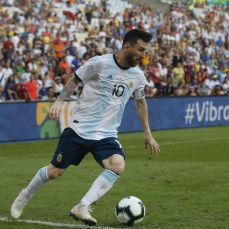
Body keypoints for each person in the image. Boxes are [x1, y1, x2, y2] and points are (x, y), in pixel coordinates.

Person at [10, 29, 160, 226]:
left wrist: (147, 133)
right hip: (80, 129)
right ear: (127, 46)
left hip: (106, 133)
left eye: (145, 50)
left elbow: (140, 103)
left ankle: (82, 206)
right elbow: (74, 80)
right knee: (55, 172)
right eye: (141, 50)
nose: (143, 55)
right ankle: (24, 195)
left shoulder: (138, 76)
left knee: (117, 164)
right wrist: (58, 102)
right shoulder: (100, 63)